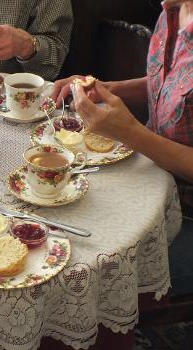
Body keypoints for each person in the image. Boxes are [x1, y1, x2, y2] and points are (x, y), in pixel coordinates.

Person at [51, 0, 192, 294]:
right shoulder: (173, 9)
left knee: (79, 271)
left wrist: (131, 133)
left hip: (185, 216)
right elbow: (169, 82)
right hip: (151, 174)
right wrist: (108, 89)